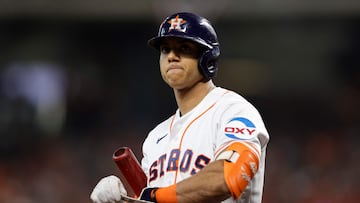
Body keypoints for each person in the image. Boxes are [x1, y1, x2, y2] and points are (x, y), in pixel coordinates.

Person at [90, 12, 269, 203]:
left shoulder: (233, 111)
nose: (172, 56)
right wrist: (123, 199)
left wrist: (154, 195)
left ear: (207, 57)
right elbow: (150, 198)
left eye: (183, 48)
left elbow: (228, 178)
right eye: (165, 49)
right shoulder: (155, 138)